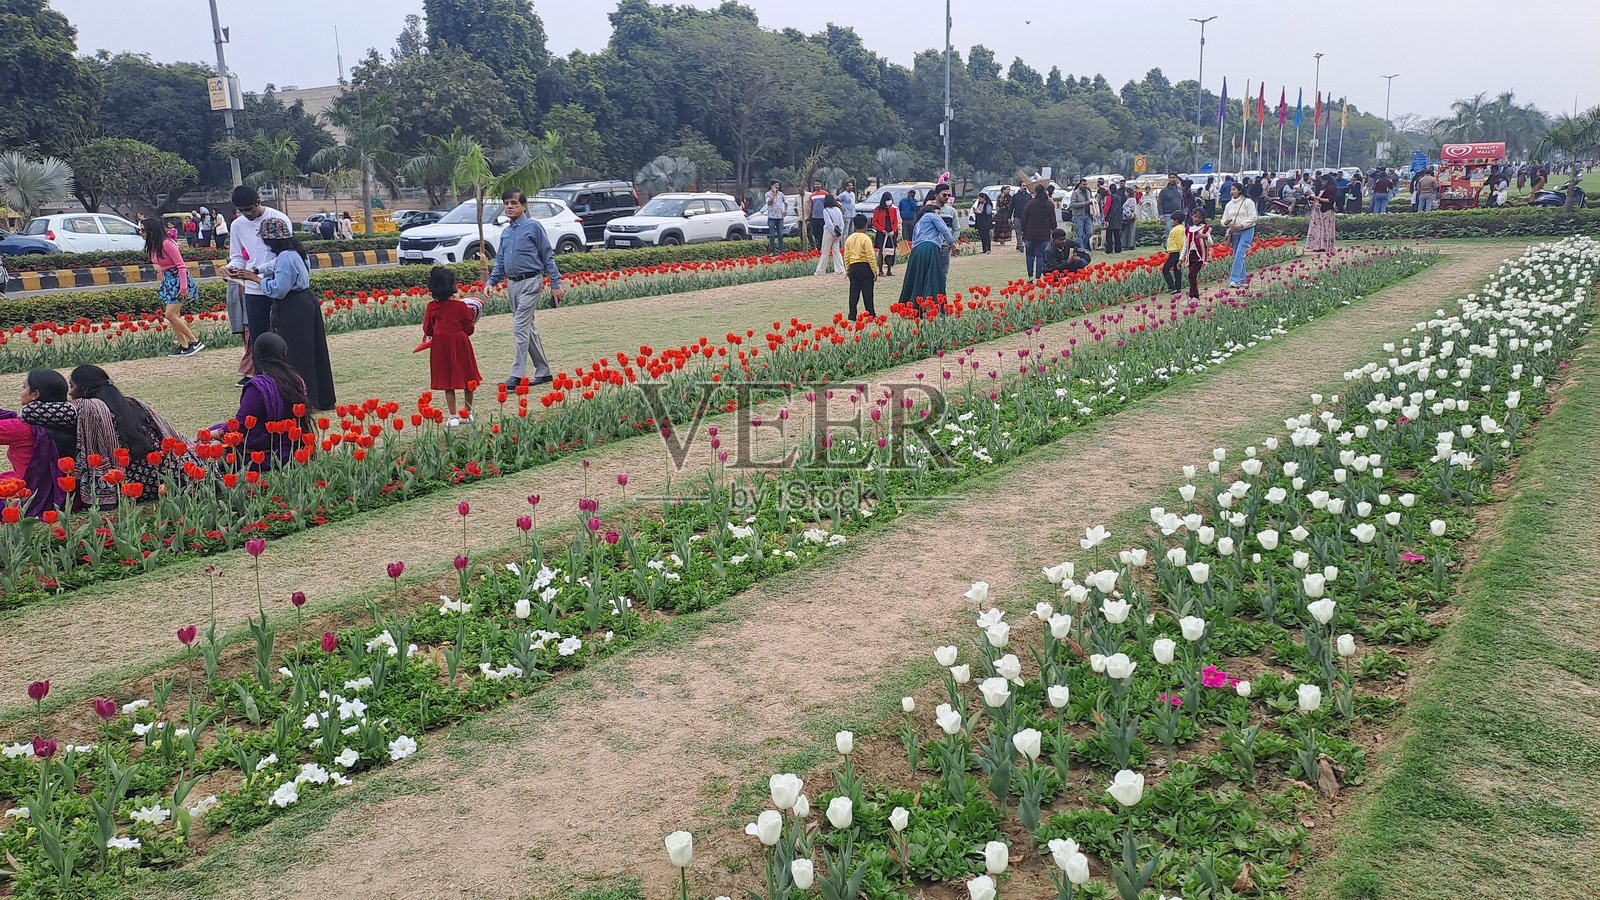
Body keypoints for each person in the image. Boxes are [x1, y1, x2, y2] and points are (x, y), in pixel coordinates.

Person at [231, 217, 336, 410]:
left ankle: (302, 399)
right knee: (312, 350)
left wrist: (255, 279)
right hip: (306, 302)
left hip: (293, 305)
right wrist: (256, 269)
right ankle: (320, 397)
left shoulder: (286, 256)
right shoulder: (296, 252)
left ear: (271, 240)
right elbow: (274, 265)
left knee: (296, 353)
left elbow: (279, 289)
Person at [69, 365, 187, 509]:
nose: (70, 392)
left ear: (85, 389)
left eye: (72, 386)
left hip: (129, 485)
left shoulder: (90, 411)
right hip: (164, 478)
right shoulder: (133, 404)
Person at [487, 188, 566, 389]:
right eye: (506, 203)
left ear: (524, 206)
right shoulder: (505, 233)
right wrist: (491, 282)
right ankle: (544, 372)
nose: (509, 207)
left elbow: (548, 256)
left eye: (514, 203)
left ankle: (517, 375)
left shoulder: (534, 227)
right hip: (512, 284)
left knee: (520, 326)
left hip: (531, 281)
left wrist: (555, 284)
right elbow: (500, 262)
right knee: (527, 327)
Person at [209, 333, 312, 471]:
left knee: (211, 442)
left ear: (257, 357)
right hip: (295, 450)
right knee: (217, 430)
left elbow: (241, 426)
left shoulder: (258, 388)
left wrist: (213, 434)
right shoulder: (297, 381)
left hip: (264, 455)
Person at [226, 185, 294, 366]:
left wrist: (256, 271)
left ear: (258, 202)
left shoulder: (279, 219)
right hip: (253, 289)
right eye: (242, 211)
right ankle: (261, 374)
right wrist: (232, 268)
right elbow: (237, 257)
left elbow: (286, 255)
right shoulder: (237, 225)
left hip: (278, 286)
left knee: (283, 334)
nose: (247, 214)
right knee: (258, 337)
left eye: (250, 209)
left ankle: (287, 372)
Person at [0, 369, 75, 518]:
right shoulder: (67, 419)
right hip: (62, 490)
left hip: (29, 492)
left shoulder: (23, 428)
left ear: (35, 394)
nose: (21, 392)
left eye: (24, 387)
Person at [423, 266, 482, 425]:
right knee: (468, 379)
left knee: (447, 380)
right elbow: (469, 328)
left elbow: (427, 329)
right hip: (461, 343)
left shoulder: (431, 307)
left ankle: (453, 415)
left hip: (440, 345)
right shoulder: (461, 306)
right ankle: (467, 413)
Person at [142, 218, 204, 357]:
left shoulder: (167, 244)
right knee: (174, 316)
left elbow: (181, 266)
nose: (141, 233)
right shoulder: (154, 245)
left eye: (143, 230)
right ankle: (184, 346)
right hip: (169, 281)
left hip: (179, 281)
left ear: (152, 230)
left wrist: (183, 287)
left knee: (170, 314)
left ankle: (195, 341)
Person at [900, 196, 953, 312]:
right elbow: (945, 230)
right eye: (938, 213)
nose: (939, 216)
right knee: (932, 276)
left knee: (917, 278)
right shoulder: (932, 215)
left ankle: (912, 306)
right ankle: (931, 306)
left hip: (916, 251)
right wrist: (952, 243)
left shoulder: (918, 223)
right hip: (929, 247)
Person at [1220, 182, 1257, 287]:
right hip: (1234, 232)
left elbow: (1253, 217)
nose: (1231, 192)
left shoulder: (1248, 202)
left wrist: (1241, 225)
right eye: (1231, 190)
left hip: (1247, 230)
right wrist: (1226, 223)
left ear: (1240, 190)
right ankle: (1242, 279)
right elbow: (1222, 220)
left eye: (1234, 189)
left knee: (1240, 253)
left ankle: (1234, 279)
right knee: (1237, 255)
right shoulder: (1229, 205)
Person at [843, 214, 877, 319]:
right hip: (865, 267)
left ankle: (852, 314)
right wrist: (874, 270)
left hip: (853, 267)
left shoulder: (849, 239)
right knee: (868, 292)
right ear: (866, 225)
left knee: (854, 292)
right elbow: (870, 255)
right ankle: (870, 313)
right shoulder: (866, 239)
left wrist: (847, 269)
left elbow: (846, 255)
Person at [1021, 184, 1056, 278]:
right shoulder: (1049, 204)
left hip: (1030, 234)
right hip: (1044, 234)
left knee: (1029, 256)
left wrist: (1023, 230)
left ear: (1036, 192)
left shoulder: (1029, 204)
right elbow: (1053, 221)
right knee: (1040, 256)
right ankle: (1038, 277)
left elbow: (1024, 219)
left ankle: (1030, 276)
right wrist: (1053, 229)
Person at [1182, 208, 1213, 299]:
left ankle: (1195, 296)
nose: (1196, 219)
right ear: (1192, 216)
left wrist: (1205, 237)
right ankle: (1192, 296)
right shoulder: (1188, 230)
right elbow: (1185, 245)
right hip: (1190, 255)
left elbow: (1210, 243)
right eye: (1195, 216)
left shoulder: (1205, 229)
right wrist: (1181, 258)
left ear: (1202, 219)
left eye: (1199, 218)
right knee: (1192, 276)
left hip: (1199, 256)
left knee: (1191, 275)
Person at [814, 194, 846, 275]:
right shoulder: (838, 210)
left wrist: (833, 232)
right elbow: (841, 222)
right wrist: (840, 232)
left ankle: (821, 270)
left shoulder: (826, 210)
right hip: (838, 231)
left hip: (828, 231)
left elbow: (828, 223)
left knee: (825, 251)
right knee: (836, 250)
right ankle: (840, 269)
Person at [1308, 173, 1338, 252]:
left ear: (1327, 181)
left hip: (1326, 211)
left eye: (1322, 181)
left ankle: (1325, 245)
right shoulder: (1325, 188)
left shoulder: (1331, 188)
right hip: (1320, 211)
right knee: (1319, 228)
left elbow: (1330, 200)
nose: (1321, 183)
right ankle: (1318, 245)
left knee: (1325, 228)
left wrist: (1318, 198)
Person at [870, 194, 899, 276]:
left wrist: (893, 230)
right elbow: (874, 221)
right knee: (881, 251)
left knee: (891, 251)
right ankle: (880, 270)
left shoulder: (893, 209)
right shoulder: (878, 209)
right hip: (882, 232)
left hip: (891, 232)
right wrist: (881, 229)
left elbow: (895, 221)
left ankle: (889, 270)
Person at [761, 181, 789, 255]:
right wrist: (773, 195)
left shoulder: (781, 194)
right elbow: (769, 202)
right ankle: (772, 251)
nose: (777, 187)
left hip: (780, 217)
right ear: (772, 186)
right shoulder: (768, 194)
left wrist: (785, 211)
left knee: (780, 234)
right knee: (772, 235)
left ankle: (781, 251)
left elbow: (786, 203)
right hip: (771, 217)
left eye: (778, 186)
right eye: (775, 185)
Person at [1162, 213, 1185, 293]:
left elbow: (1181, 242)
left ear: (1176, 221)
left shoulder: (1177, 229)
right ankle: (1178, 288)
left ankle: (1171, 286)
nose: (1171, 221)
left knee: (1165, 269)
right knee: (1176, 269)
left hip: (1175, 252)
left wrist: (1182, 254)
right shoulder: (1180, 228)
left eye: (1172, 220)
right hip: (1176, 252)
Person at [1068, 178, 1094, 246]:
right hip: (1078, 216)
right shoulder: (1075, 193)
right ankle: (1081, 248)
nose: (1085, 186)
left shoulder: (1088, 192)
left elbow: (1090, 201)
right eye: (1083, 184)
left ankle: (1082, 246)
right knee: (1079, 234)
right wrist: (1084, 203)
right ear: (1079, 185)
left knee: (1089, 233)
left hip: (1087, 215)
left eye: (1086, 184)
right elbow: (1072, 204)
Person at [1103, 184, 1125, 254]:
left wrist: (1104, 215)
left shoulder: (1109, 197)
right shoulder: (1119, 197)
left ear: (1110, 189)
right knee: (1117, 234)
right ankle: (1118, 249)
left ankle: (1109, 249)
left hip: (1110, 217)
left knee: (1109, 234)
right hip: (1118, 217)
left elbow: (1107, 207)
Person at [807, 180, 828, 248]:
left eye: (818, 184)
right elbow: (811, 207)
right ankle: (819, 248)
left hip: (824, 217)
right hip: (815, 218)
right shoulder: (812, 195)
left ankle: (825, 247)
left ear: (821, 185)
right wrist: (809, 218)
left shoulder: (825, 194)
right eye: (815, 184)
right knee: (816, 234)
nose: (817, 186)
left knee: (824, 233)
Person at [1011, 181, 1028, 253]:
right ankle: (1020, 246)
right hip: (1017, 217)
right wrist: (1009, 217)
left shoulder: (1029, 196)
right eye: (1023, 186)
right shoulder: (1015, 196)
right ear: (1020, 187)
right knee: (1018, 232)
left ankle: (1023, 245)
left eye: (1025, 186)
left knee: (1026, 232)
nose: (1024, 187)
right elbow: (1011, 207)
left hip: (1027, 218)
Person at [1121, 189, 1138, 255]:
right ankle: (1126, 244)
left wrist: (1129, 214)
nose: (1125, 193)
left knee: (1131, 230)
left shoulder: (1131, 199)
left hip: (1130, 217)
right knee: (1127, 230)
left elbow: (1132, 208)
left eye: (1126, 192)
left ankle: (1130, 244)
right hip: (1127, 217)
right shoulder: (1129, 199)